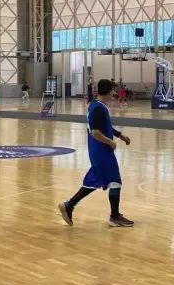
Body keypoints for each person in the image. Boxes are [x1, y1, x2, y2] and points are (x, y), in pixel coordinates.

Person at [57, 79, 134, 228]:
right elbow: (95, 132)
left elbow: (105, 126)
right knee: (115, 182)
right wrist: (110, 142)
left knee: (94, 181)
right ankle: (114, 217)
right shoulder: (98, 108)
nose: (114, 93)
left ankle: (68, 205)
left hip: (98, 151)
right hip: (101, 151)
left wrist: (120, 135)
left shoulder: (96, 105)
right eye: (113, 90)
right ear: (110, 91)